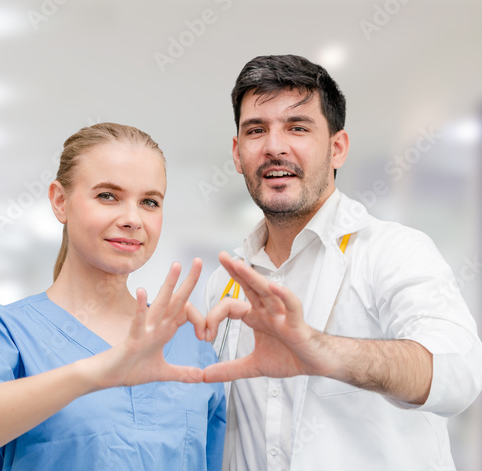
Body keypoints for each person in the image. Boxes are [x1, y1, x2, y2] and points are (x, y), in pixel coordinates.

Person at [201, 54, 482, 470]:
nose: (274, 147)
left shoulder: (393, 250)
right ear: (238, 153)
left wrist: (324, 352)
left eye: (298, 128)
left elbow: (459, 375)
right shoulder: (222, 285)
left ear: (337, 148)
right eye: (256, 130)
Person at [0, 123, 226, 470]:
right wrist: (95, 372)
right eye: (107, 196)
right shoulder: (3, 332)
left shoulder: (189, 343)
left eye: (149, 202)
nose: (132, 219)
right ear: (60, 201)